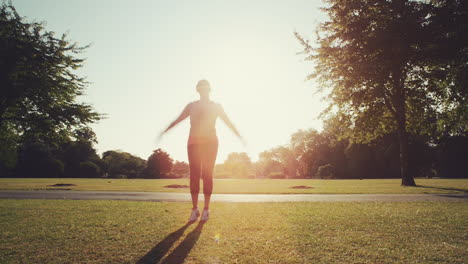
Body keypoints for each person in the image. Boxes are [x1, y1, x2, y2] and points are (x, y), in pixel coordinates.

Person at [160, 80, 244, 222]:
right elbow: (178, 119)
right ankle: (194, 209)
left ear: (210, 90)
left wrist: (239, 135)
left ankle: (206, 209)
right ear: (197, 90)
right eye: (201, 89)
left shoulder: (216, 106)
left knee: (207, 174)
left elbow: (228, 122)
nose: (204, 91)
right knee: (194, 174)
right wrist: (165, 130)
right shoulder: (191, 106)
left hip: (211, 143)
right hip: (193, 143)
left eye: (206, 88)